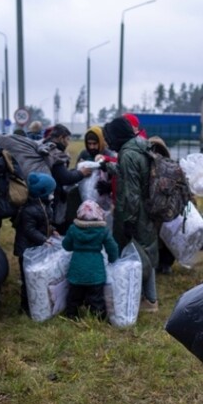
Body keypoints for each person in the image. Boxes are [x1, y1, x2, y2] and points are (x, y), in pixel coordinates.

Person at [102, 116, 159, 312]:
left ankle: (144, 300)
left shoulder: (127, 154)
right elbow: (131, 173)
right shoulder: (139, 146)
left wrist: (129, 221)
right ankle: (149, 299)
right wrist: (108, 166)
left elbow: (131, 192)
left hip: (135, 212)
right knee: (147, 251)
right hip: (148, 208)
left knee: (136, 253)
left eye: (109, 138)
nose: (108, 143)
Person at [61, 200, 119, 321]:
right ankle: (98, 317)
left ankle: (71, 315)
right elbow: (112, 248)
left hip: (76, 270)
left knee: (74, 297)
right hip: (95, 271)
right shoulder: (102, 230)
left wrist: (75, 246)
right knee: (96, 298)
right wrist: (113, 260)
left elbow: (66, 246)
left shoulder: (73, 229)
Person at [12, 172, 56, 316]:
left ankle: (39, 302)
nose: (53, 194)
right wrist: (44, 239)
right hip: (26, 249)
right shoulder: (29, 210)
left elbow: (46, 223)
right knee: (27, 280)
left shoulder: (44, 205)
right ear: (42, 193)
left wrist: (52, 231)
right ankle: (25, 307)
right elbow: (29, 230)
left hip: (36, 248)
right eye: (50, 192)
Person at [41, 124, 93, 234]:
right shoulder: (54, 152)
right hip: (51, 198)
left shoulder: (45, 147)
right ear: (61, 138)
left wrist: (75, 170)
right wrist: (81, 173)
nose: (68, 143)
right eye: (67, 139)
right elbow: (65, 178)